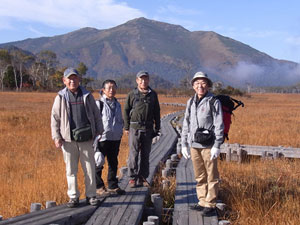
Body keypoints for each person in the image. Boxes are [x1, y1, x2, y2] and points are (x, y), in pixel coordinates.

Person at [51, 67, 103, 208]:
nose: (72, 81)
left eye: (75, 78)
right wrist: (56, 137)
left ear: (79, 79)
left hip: (86, 139)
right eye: (69, 78)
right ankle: (73, 197)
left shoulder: (87, 95)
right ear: (64, 81)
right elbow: (55, 118)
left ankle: (91, 196)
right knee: (71, 170)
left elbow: (96, 114)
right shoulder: (60, 97)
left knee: (89, 169)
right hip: (68, 140)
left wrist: (99, 130)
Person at [181, 71, 224, 216]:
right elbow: (186, 123)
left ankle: (211, 203)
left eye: (203, 83)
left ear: (208, 85)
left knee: (211, 175)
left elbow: (219, 124)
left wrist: (217, 145)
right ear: (193, 85)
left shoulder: (213, 101)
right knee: (199, 175)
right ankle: (202, 201)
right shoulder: (190, 102)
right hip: (194, 145)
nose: (200, 86)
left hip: (209, 145)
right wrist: (184, 144)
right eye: (197, 83)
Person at [123, 71, 161, 188]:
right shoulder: (132, 94)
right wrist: (126, 127)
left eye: (145, 79)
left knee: (145, 154)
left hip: (148, 128)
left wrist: (157, 127)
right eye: (141, 79)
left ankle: (143, 177)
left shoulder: (153, 94)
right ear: (137, 80)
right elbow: (125, 110)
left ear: (148, 80)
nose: (143, 81)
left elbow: (156, 111)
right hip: (134, 128)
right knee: (133, 154)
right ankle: (132, 178)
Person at [94, 79, 125, 196]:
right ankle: (99, 186)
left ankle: (112, 185)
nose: (111, 90)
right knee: (99, 162)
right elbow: (94, 121)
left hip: (115, 138)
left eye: (114, 88)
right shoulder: (99, 104)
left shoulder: (117, 104)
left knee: (113, 162)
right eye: (109, 88)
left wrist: (121, 131)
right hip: (102, 138)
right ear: (103, 90)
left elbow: (120, 120)